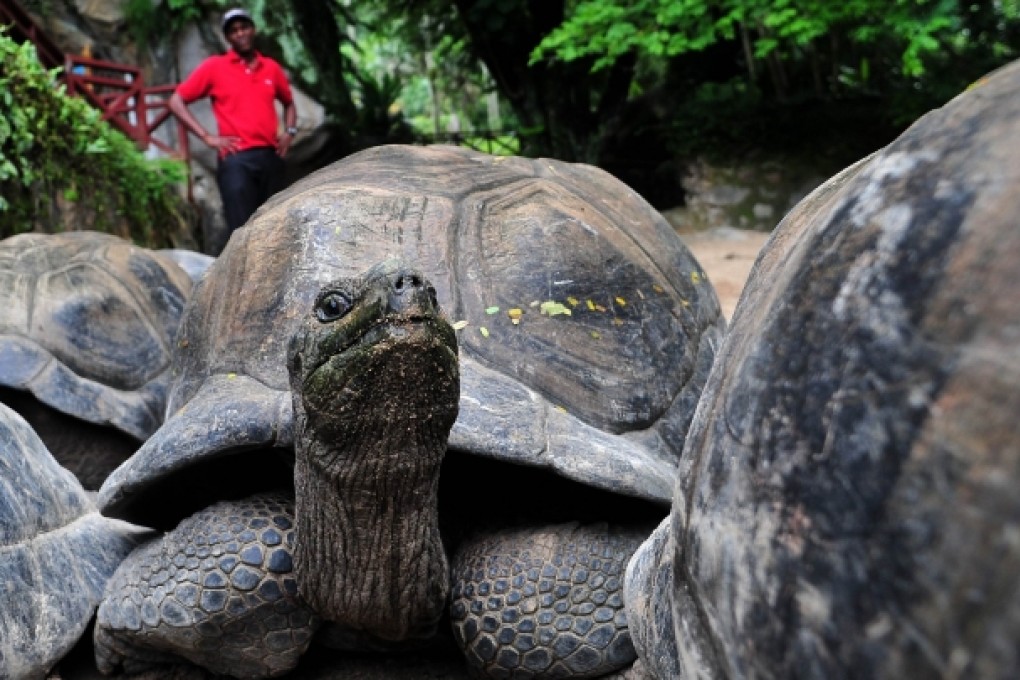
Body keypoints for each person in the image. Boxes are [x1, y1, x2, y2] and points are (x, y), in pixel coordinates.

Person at [168, 7, 298, 252]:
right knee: (242, 231)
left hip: (271, 156)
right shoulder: (215, 67)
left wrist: (289, 133)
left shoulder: (270, 68)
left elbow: (289, 102)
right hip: (236, 159)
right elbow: (176, 101)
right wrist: (207, 137)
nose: (240, 34)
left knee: (279, 228)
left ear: (253, 30)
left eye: (244, 27)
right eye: (233, 30)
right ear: (228, 37)